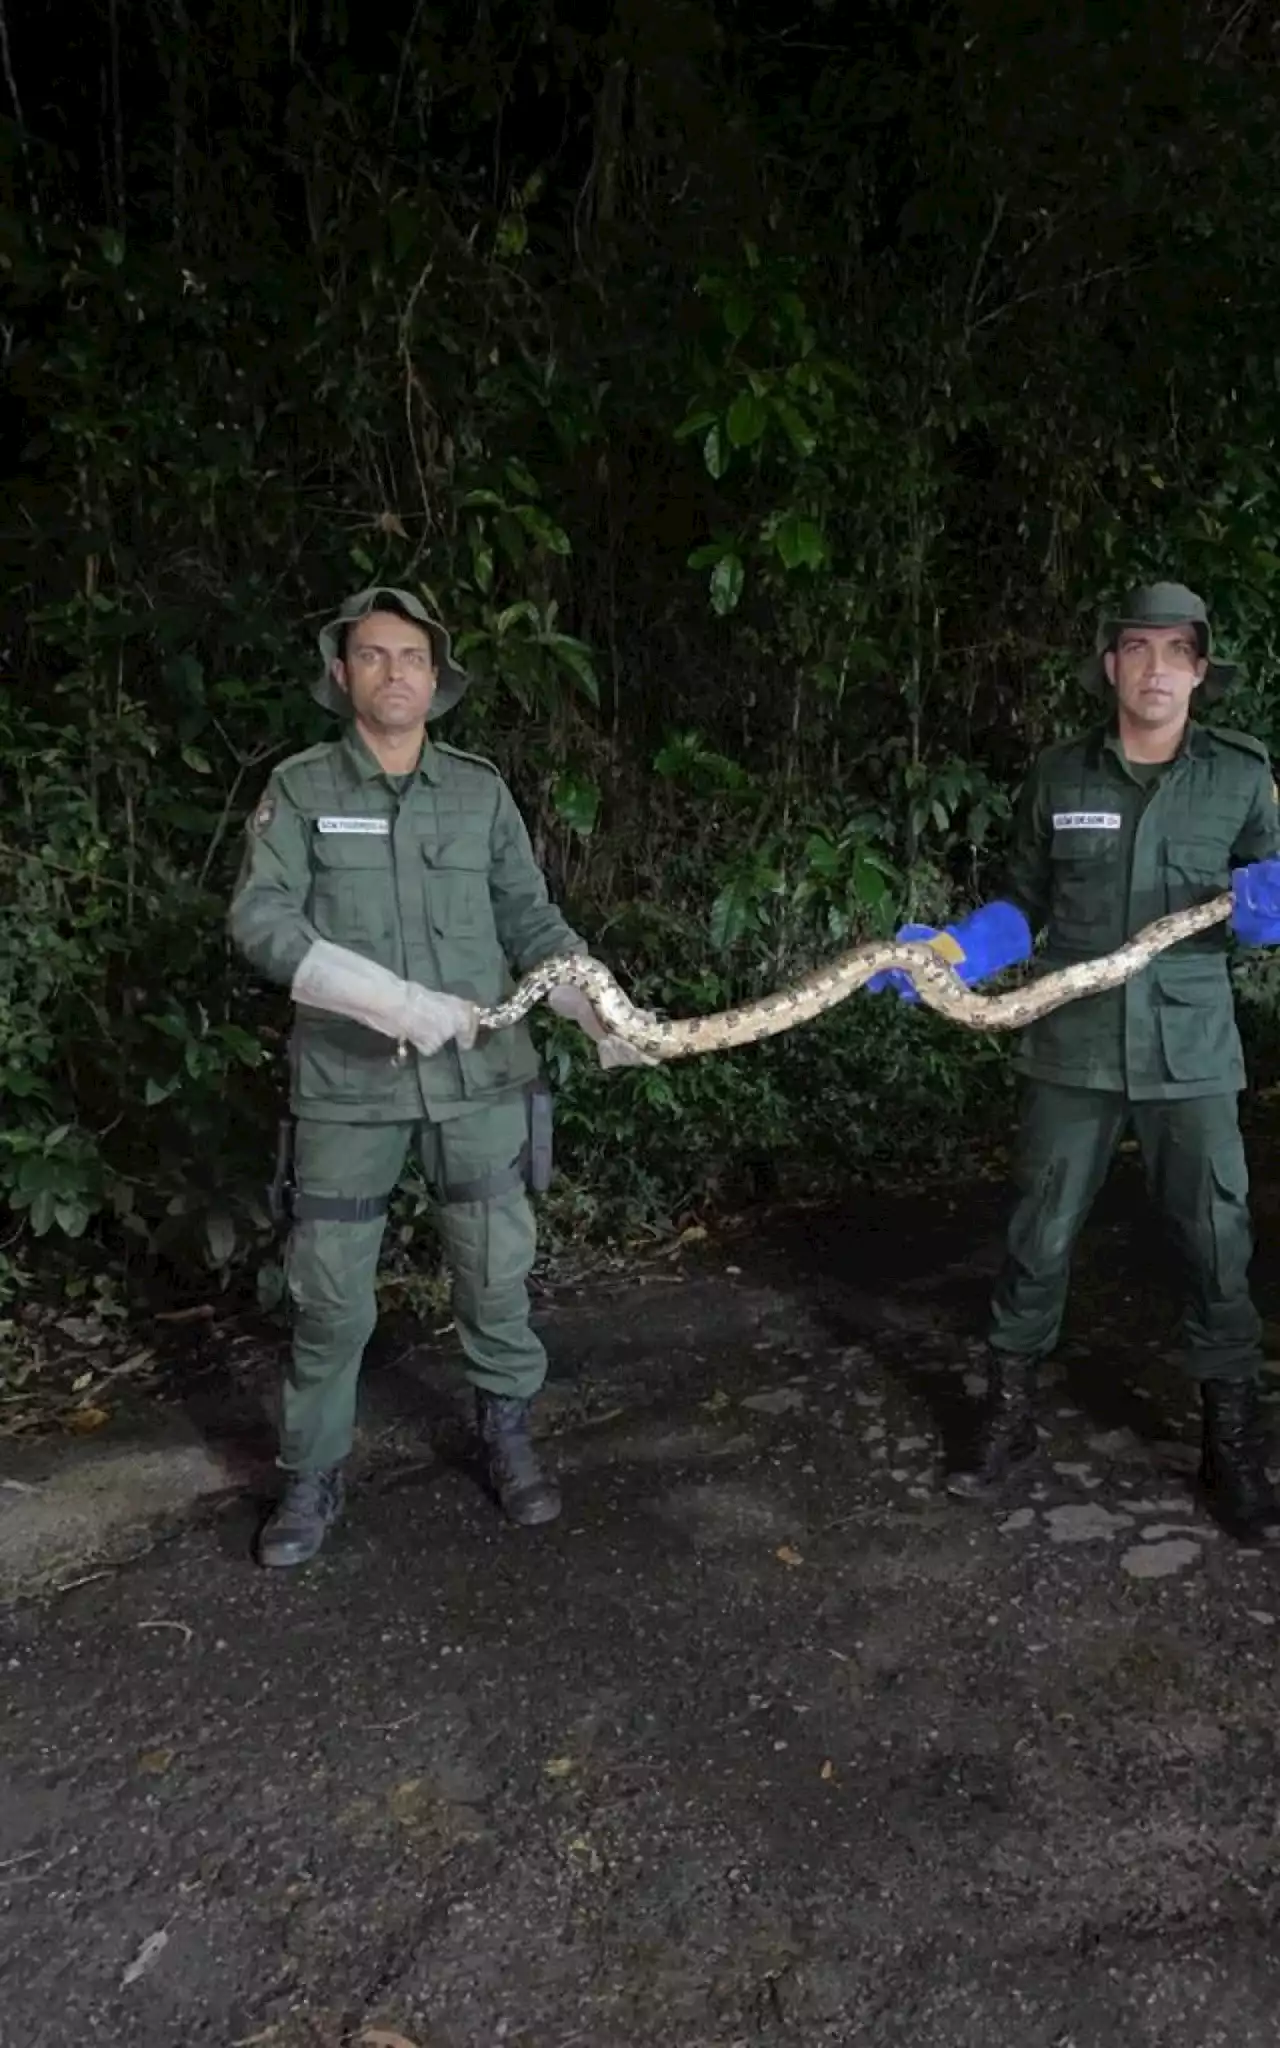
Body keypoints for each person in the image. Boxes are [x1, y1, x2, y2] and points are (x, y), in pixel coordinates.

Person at [228, 586, 650, 1568]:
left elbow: (530, 921)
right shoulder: (300, 789)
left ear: (436, 679)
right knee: (331, 1296)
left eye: (410, 656)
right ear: (342, 676)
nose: (393, 672)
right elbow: (261, 918)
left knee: (496, 1277)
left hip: (479, 1080)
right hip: (347, 1083)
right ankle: (309, 1475)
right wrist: (376, 995)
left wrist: (594, 1002)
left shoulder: (478, 789)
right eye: (372, 656)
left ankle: (505, 1435)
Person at [870, 582, 1280, 1543]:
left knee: (1219, 1246)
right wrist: (956, 954)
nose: (1155, 669)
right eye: (1137, 649)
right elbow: (1023, 903)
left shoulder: (1242, 776)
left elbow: (1265, 893)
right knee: (1036, 1234)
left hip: (1192, 1054)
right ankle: (1007, 1416)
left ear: (1198, 670)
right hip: (1074, 1047)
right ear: (1111, 665)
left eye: (1175, 651)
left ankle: (1233, 1445)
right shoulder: (1059, 774)